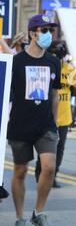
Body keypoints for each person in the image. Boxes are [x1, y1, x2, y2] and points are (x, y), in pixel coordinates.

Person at [8, 15, 61, 226]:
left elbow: (55, 94)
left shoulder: (53, 62)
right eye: (44, 29)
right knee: (21, 170)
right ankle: (20, 217)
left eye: (50, 29)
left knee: (48, 167)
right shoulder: (16, 62)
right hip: (21, 124)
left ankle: (38, 212)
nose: (48, 33)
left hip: (45, 125)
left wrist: (55, 124)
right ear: (32, 33)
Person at [35, 40, 76, 188]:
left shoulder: (70, 70)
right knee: (45, 147)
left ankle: (53, 176)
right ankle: (40, 172)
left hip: (64, 117)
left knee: (59, 148)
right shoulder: (46, 68)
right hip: (47, 115)